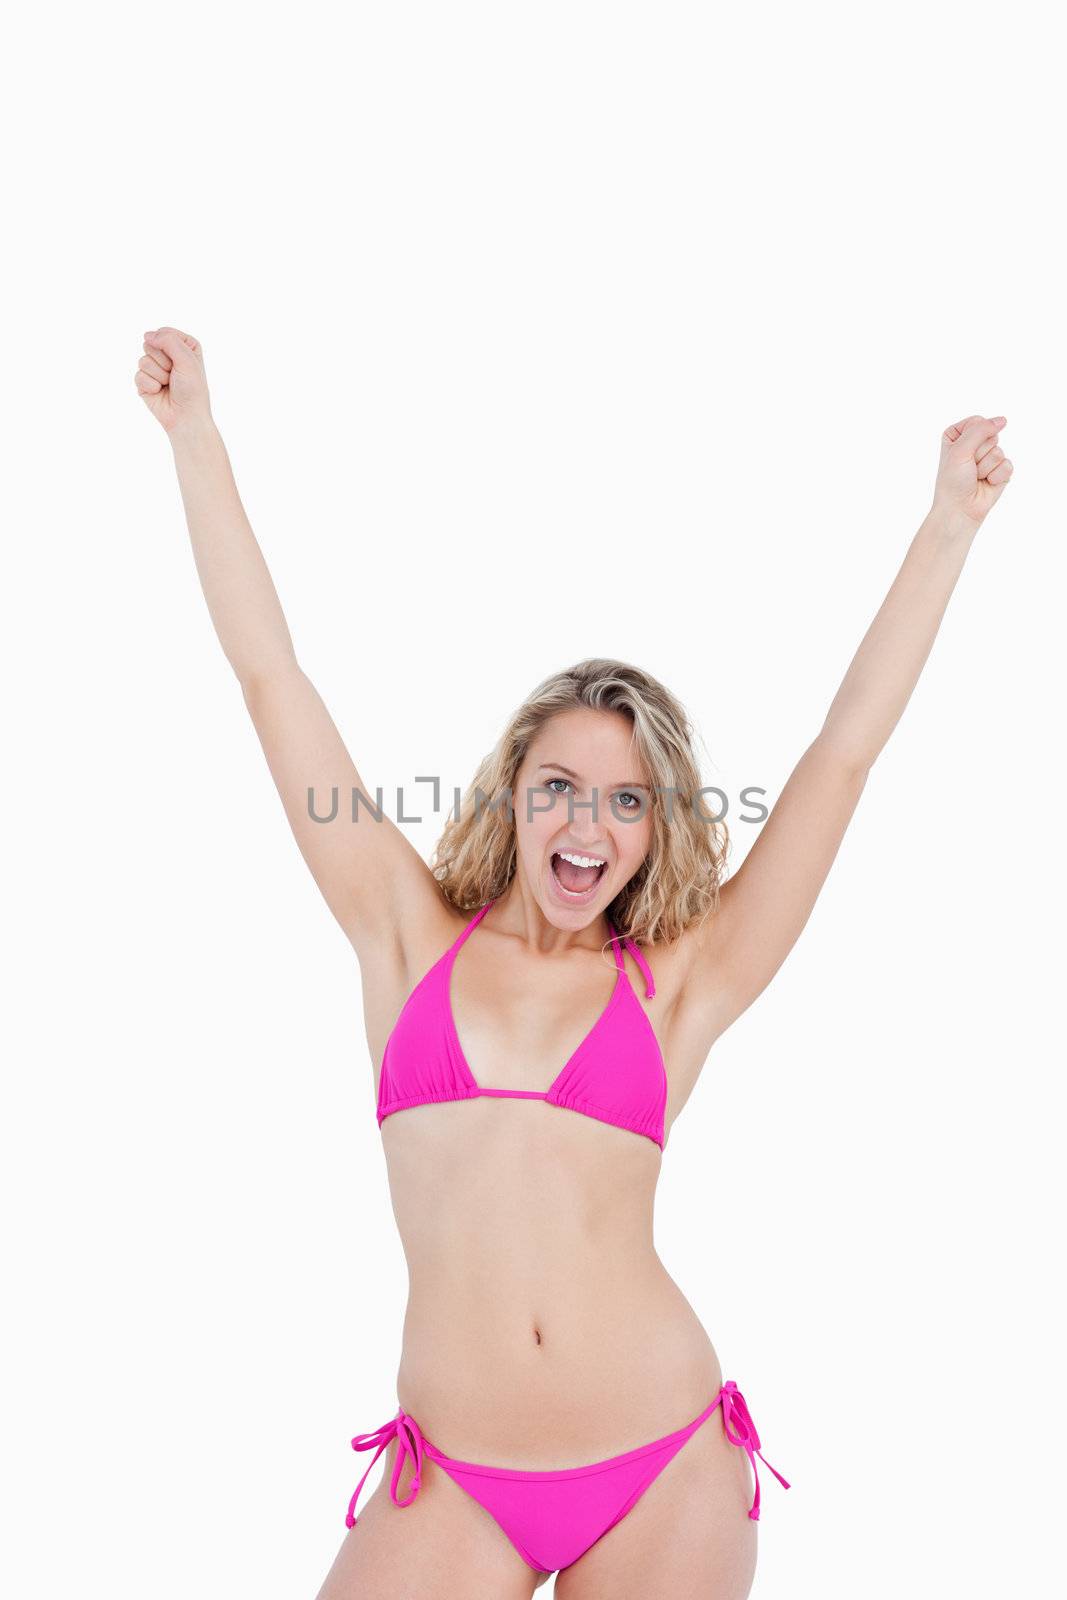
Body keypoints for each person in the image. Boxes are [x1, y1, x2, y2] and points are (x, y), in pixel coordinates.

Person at [135, 327, 1013, 1599]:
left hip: (659, 1467)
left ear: (657, 827)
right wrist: (196, 437)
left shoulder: (682, 985)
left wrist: (946, 527)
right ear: (514, 794)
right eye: (560, 787)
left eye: (625, 800)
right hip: (453, 1479)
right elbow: (273, 677)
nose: (586, 826)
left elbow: (839, 753)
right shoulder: (404, 937)